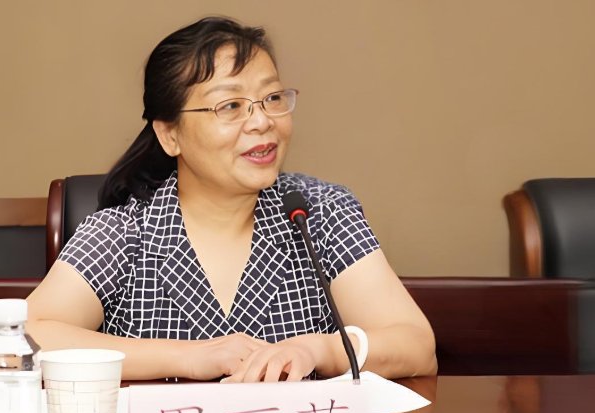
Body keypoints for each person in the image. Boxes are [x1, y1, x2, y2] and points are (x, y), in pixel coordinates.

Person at [26, 16, 437, 383]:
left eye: (272, 98)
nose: (262, 121)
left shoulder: (320, 212)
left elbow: (417, 345)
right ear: (170, 134)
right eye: (231, 106)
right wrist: (187, 357)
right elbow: (21, 341)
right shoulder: (124, 232)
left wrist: (319, 350)